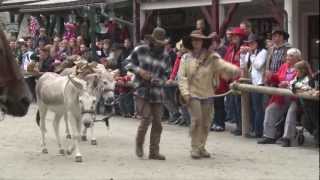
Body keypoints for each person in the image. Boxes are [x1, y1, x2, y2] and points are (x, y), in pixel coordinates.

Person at [178, 30, 240, 159]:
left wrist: (234, 70)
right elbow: (182, 77)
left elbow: (223, 66)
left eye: (199, 40)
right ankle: (194, 148)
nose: (196, 42)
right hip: (192, 93)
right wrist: (185, 93)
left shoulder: (212, 57)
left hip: (208, 93)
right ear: (190, 42)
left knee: (207, 122)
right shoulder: (186, 58)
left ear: (203, 42)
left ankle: (202, 146)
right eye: (194, 40)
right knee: (196, 120)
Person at [125, 27, 171, 160]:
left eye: (161, 43)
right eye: (157, 42)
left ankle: (154, 152)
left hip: (157, 92)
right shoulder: (140, 50)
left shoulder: (166, 56)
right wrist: (139, 71)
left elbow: (166, 75)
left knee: (158, 122)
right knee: (146, 118)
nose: (159, 45)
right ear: (152, 40)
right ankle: (139, 145)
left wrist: (159, 81)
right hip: (141, 90)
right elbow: (127, 63)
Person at [258, 48, 302, 147]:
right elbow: (277, 77)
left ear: (297, 58)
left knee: (291, 112)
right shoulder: (284, 66)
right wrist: (270, 76)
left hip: (295, 98)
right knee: (270, 109)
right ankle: (269, 136)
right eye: (287, 55)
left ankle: (287, 138)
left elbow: (303, 81)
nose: (288, 58)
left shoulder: (301, 67)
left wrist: (288, 84)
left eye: (291, 56)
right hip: (282, 97)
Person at [240, 34, 268, 138]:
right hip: (252, 82)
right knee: (253, 108)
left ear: (257, 43)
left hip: (260, 83)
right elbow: (243, 66)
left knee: (258, 108)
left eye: (252, 43)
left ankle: (258, 132)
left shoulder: (263, 52)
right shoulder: (250, 53)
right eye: (249, 43)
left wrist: (251, 55)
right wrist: (242, 55)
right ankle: (254, 129)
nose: (250, 45)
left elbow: (258, 65)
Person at [222, 27, 247, 136]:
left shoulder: (245, 48)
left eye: (235, 36)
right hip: (232, 80)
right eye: (232, 36)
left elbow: (244, 65)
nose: (233, 38)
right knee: (234, 104)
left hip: (241, 80)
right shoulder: (231, 48)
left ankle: (244, 127)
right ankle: (238, 125)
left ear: (241, 37)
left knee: (241, 104)